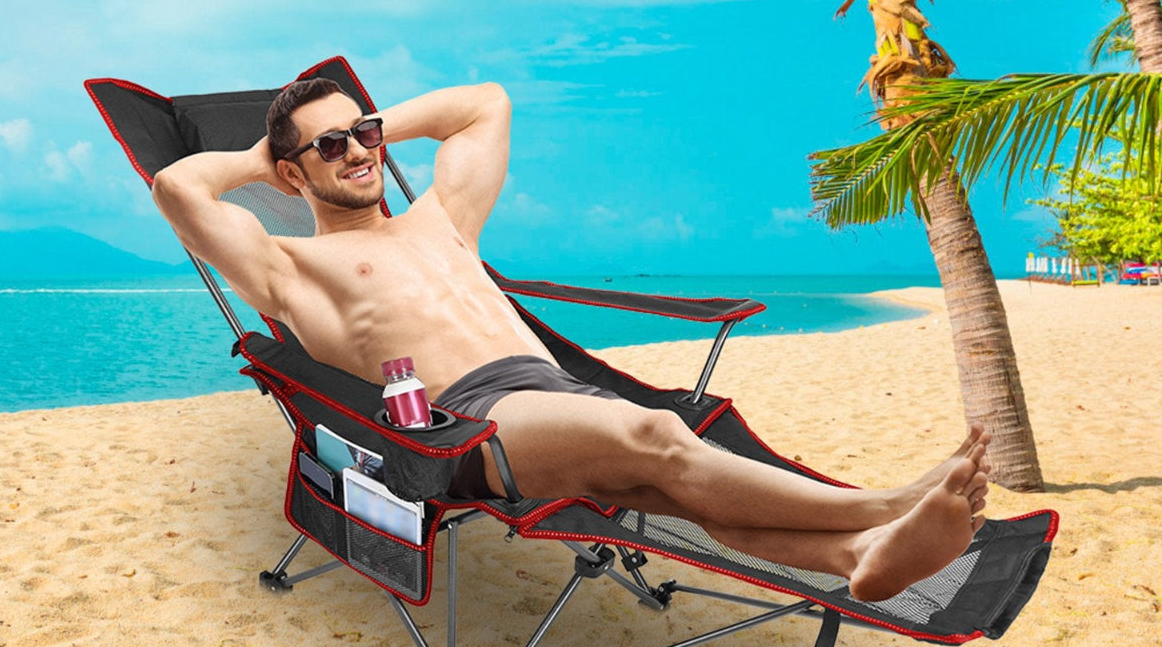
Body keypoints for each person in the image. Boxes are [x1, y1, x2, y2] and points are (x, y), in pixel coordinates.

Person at [151, 76, 990, 603]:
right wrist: (271, 155)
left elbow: (486, 102)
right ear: (293, 174)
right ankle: (882, 504)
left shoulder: (442, 220)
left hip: (550, 399)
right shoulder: (295, 267)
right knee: (656, 432)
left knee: (680, 488)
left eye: (364, 135)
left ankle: (859, 555)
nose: (360, 152)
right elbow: (178, 186)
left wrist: (366, 120)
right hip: (465, 427)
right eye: (330, 148)